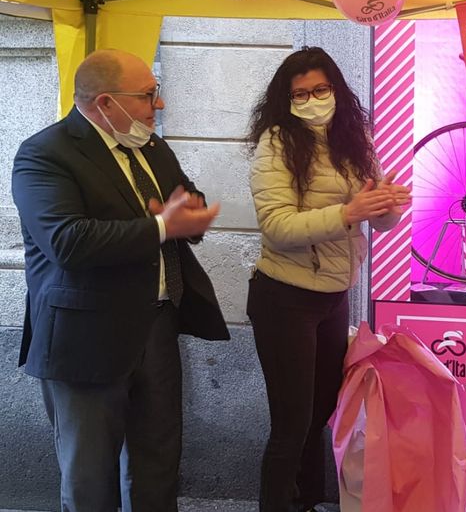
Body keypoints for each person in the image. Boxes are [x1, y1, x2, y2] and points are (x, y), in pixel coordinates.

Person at [11, 48, 228, 511]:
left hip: (157, 327)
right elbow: (67, 242)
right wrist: (163, 226)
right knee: (90, 480)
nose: (159, 104)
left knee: (158, 467)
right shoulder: (44, 154)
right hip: (85, 340)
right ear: (106, 103)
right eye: (148, 95)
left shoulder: (150, 145)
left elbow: (182, 199)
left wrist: (189, 214)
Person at [246, 46, 410, 512]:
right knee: (291, 423)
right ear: (286, 100)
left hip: (334, 296)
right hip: (284, 299)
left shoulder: (354, 137)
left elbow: (380, 220)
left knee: (320, 414)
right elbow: (277, 227)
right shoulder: (276, 143)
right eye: (300, 94)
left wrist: (386, 205)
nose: (313, 100)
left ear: (336, 89)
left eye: (321, 89)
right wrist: (348, 212)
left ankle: (307, 502)